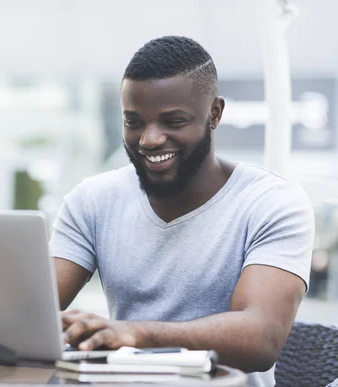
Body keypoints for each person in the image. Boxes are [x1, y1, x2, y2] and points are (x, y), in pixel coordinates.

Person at [49, 36, 314, 387]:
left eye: (173, 121)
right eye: (134, 122)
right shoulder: (92, 200)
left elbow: (261, 337)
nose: (149, 139)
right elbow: (31, 314)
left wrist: (136, 334)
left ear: (214, 114)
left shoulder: (272, 204)